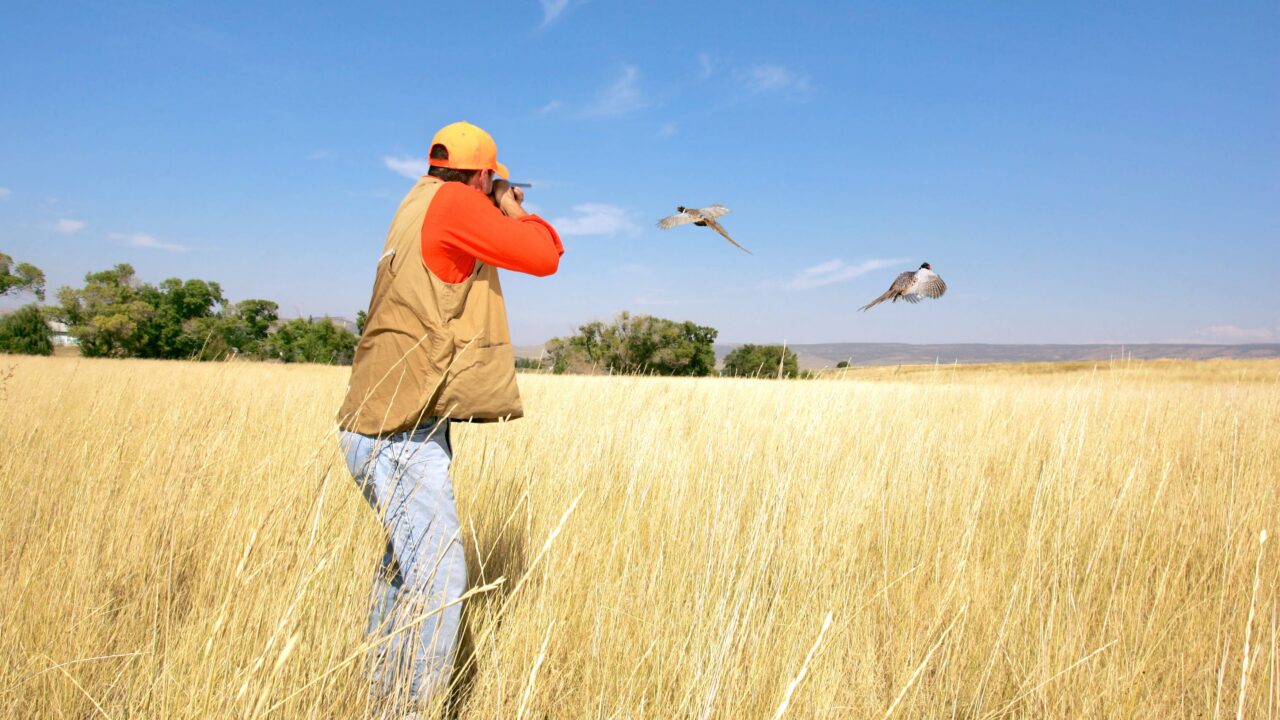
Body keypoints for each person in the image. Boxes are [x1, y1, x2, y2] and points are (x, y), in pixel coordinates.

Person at [336, 121, 563, 709]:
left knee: (402, 572)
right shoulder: (458, 205)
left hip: (376, 420)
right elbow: (545, 255)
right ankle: (409, 709)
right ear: (484, 175)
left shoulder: (416, 202)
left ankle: (380, 700)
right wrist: (513, 210)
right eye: (497, 179)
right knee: (439, 580)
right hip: (401, 433)